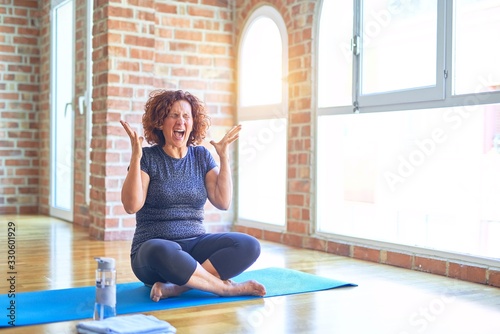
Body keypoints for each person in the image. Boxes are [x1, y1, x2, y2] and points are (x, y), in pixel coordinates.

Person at [120, 89, 266, 302]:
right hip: (155, 253)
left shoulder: (201, 156)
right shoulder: (148, 158)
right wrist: (135, 157)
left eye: (186, 116)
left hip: (195, 245)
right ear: (161, 122)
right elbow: (131, 205)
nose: (181, 121)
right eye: (174, 115)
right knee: (159, 247)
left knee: (249, 245)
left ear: (193, 123)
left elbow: (223, 201)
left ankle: (177, 288)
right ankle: (224, 289)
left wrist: (224, 157)